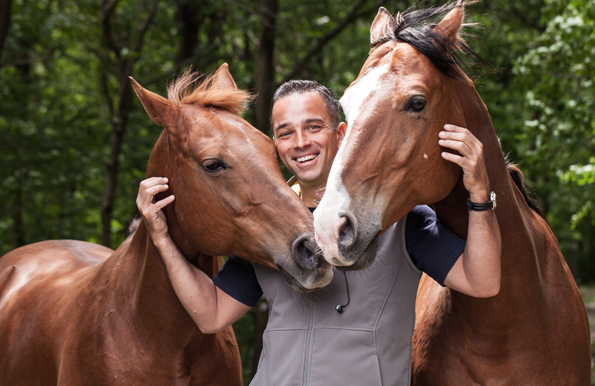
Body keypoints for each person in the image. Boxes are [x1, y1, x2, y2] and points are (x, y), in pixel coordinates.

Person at [137, 81, 501, 385]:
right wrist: (162, 238)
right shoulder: (268, 228)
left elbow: (482, 281)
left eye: (313, 127)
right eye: (285, 133)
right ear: (276, 146)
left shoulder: (399, 219)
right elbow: (211, 314)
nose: (300, 142)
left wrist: (480, 197)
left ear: (340, 134)